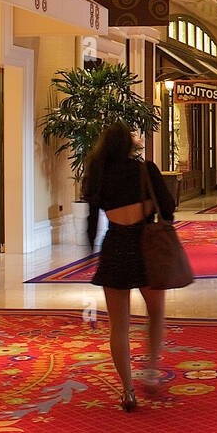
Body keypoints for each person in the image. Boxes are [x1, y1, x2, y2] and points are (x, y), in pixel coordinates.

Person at [84, 121, 176, 413]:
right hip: (146, 247)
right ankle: (150, 370)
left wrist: (89, 253)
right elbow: (169, 207)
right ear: (129, 143)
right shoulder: (145, 170)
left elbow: (91, 222)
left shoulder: (99, 174)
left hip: (114, 248)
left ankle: (126, 390)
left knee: (118, 326)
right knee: (156, 313)